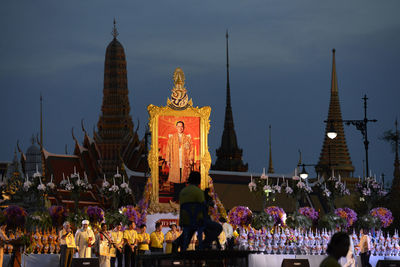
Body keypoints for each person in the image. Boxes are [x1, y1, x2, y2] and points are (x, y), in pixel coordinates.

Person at [177, 171, 205, 251]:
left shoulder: (182, 191)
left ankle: (182, 244)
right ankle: (205, 244)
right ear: (199, 181)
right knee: (218, 228)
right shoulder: (199, 192)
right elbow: (203, 207)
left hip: (185, 221)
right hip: (197, 221)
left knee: (188, 232)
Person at [166, 121, 194, 195]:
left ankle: (182, 198)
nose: (180, 128)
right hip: (175, 160)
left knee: (183, 180)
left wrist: (190, 158)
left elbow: (191, 149)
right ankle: (176, 197)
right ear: (176, 127)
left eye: (181, 126)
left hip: (184, 161)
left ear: (183, 128)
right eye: (178, 126)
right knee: (176, 180)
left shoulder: (187, 138)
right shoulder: (172, 138)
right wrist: (168, 161)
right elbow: (168, 149)